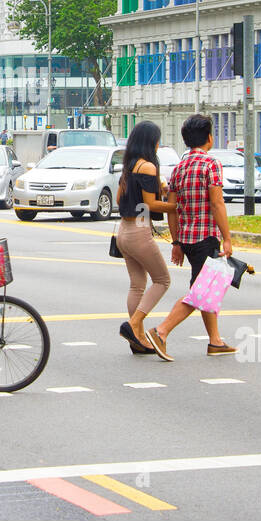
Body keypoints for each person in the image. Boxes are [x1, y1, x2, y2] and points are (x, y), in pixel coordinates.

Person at [145, 114, 236, 361]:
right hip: (206, 237)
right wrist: (227, 238)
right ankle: (161, 331)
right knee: (201, 291)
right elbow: (217, 204)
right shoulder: (210, 164)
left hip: (187, 238)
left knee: (205, 288)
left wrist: (176, 242)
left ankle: (215, 341)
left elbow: (172, 209)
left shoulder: (179, 168)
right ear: (209, 137)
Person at [115, 121, 180, 355]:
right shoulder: (148, 167)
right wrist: (177, 206)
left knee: (137, 285)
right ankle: (134, 326)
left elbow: (119, 199)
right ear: (151, 142)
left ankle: (138, 338)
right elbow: (150, 204)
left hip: (124, 230)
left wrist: (157, 191)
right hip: (139, 232)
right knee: (162, 280)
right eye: (157, 140)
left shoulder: (129, 166)